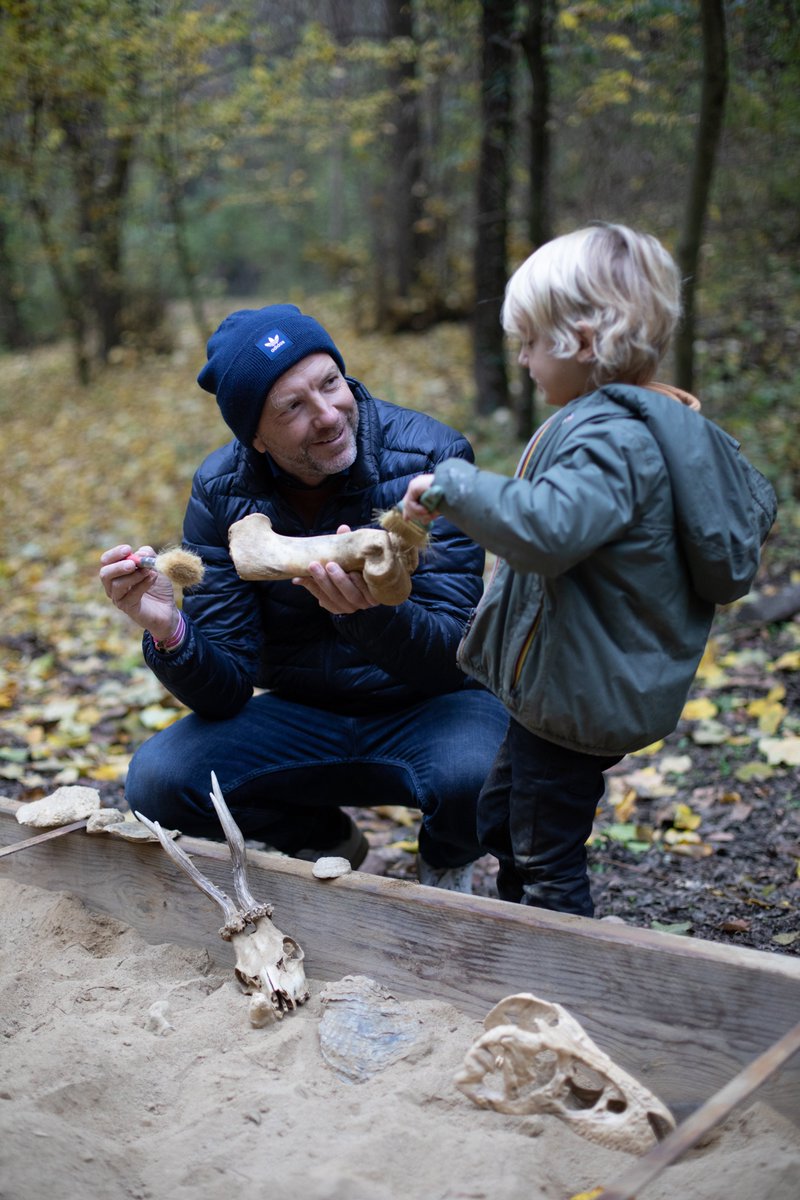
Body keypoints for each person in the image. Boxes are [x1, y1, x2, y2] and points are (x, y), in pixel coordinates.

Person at [401, 222, 777, 917]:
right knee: (503, 818)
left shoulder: (613, 438)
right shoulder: (619, 423)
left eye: (530, 342)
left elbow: (548, 530)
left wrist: (453, 487)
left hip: (579, 694)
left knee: (544, 848)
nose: (521, 359)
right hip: (567, 689)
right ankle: (526, 924)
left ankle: (556, 970)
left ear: (579, 339)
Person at [100, 303, 508, 892]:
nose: (328, 415)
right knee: (159, 781)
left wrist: (369, 616)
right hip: (302, 714)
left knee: (488, 771)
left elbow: (454, 655)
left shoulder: (429, 458)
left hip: (429, 704)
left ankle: (445, 858)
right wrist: (170, 632)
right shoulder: (223, 492)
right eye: (293, 406)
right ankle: (320, 837)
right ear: (256, 437)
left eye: (331, 384)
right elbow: (227, 688)